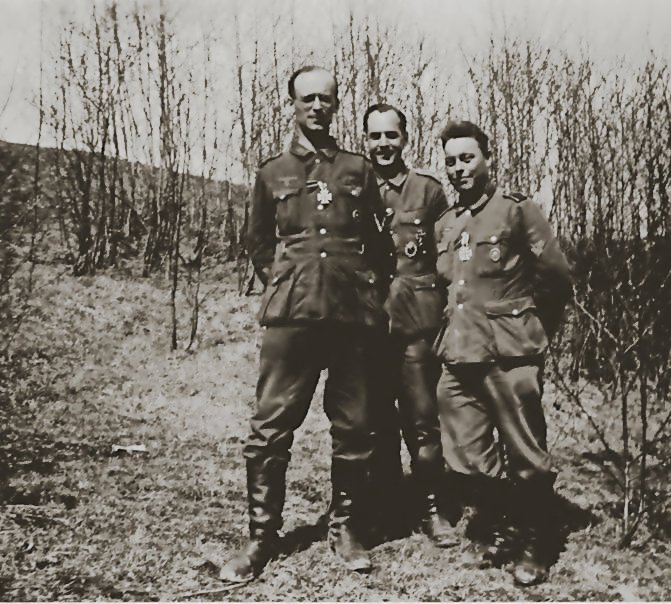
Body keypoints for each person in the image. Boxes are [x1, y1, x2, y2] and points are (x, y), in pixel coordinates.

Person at [219, 66, 393, 583]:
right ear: (292, 104)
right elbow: (257, 242)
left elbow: (380, 247)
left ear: (336, 105)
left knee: (355, 427)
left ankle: (346, 528)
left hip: (350, 315)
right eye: (307, 98)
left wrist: (360, 287)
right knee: (271, 426)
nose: (317, 106)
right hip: (292, 317)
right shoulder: (273, 171)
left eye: (326, 99)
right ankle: (260, 537)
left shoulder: (359, 170)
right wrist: (287, 280)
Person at [433, 120, 572, 586]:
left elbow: (556, 277)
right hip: (460, 351)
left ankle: (537, 539)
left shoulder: (516, 211)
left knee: (525, 450)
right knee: (464, 448)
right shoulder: (448, 224)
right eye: (451, 161)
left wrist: (530, 331)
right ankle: (508, 518)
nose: (458, 168)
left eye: (467, 158)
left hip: (510, 354)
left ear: (488, 159)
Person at [362, 103, 457, 546]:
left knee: (422, 420)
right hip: (368, 325)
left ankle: (432, 510)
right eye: (375, 136)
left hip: (416, 324)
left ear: (405, 138)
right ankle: (384, 509)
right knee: (375, 421)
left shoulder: (428, 191)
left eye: (391, 135)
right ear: (366, 139)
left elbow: (443, 259)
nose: (383, 144)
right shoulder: (355, 186)